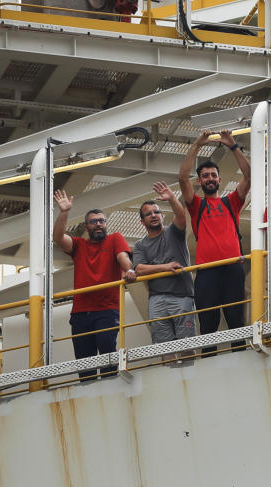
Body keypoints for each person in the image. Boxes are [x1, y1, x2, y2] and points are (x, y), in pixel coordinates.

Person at [178, 129, 250, 354]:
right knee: (208, 323)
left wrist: (233, 145)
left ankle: (240, 357)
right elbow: (182, 178)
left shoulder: (231, 202)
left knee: (236, 320)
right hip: (207, 273)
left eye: (213, 175)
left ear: (219, 179)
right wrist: (196, 145)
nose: (210, 179)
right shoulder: (197, 205)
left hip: (233, 270)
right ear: (200, 181)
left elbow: (249, 177)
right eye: (205, 176)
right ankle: (209, 360)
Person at [53, 189, 135, 379]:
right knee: (84, 362)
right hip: (81, 312)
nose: (98, 224)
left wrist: (129, 270)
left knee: (108, 356)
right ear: (86, 226)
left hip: (107, 309)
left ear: (106, 224)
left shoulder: (115, 238)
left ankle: (110, 389)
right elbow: (58, 237)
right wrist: (64, 212)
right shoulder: (79, 245)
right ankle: (87, 392)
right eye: (93, 221)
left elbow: (122, 256)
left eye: (101, 221)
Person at [132, 181, 196, 361]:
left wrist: (172, 198)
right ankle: (171, 378)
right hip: (156, 299)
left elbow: (181, 216)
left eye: (157, 212)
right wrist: (165, 267)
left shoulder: (173, 232)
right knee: (164, 347)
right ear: (142, 221)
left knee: (187, 344)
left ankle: (189, 378)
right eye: (148, 214)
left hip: (182, 296)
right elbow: (139, 268)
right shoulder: (140, 245)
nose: (153, 215)